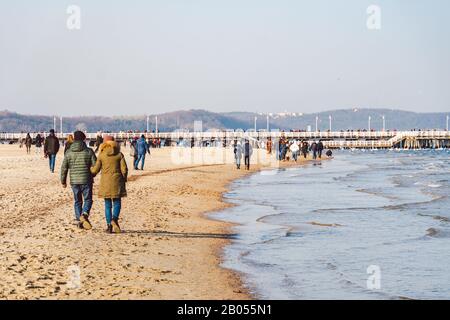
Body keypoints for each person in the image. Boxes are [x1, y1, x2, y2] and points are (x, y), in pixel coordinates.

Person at [91, 136, 128, 234]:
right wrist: (124, 179)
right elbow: (124, 169)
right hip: (117, 181)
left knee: (107, 205)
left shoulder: (102, 155)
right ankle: (114, 219)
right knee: (117, 202)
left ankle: (109, 226)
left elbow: (95, 170)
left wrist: (90, 171)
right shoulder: (119, 155)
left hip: (105, 182)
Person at [60, 131, 97, 229]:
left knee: (77, 201)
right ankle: (84, 215)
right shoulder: (89, 151)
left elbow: (64, 168)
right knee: (88, 199)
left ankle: (79, 221)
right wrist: (93, 174)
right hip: (86, 180)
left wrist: (63, 181)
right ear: (84, 139)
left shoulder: (68, 152)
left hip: (74, 181)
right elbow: (95, 166)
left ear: (74, 139)